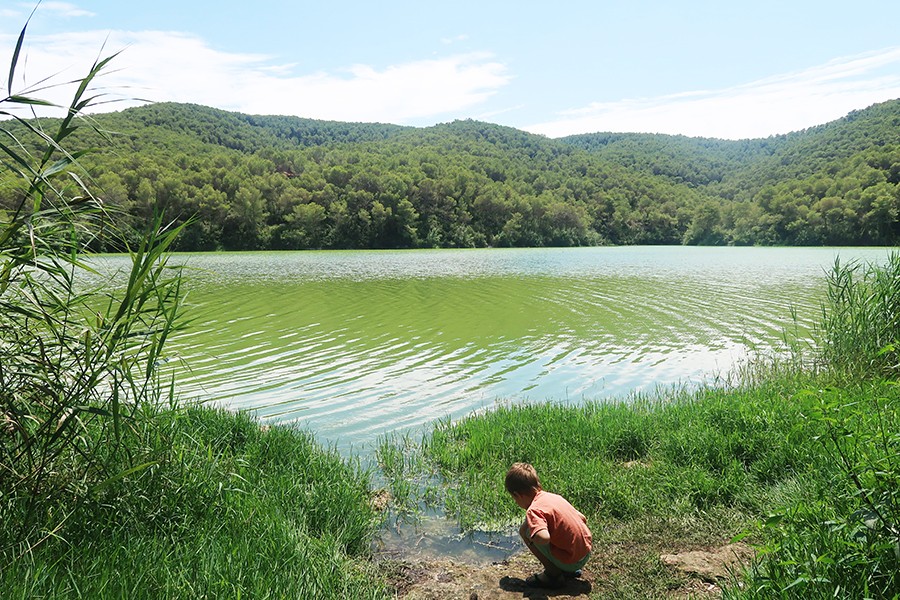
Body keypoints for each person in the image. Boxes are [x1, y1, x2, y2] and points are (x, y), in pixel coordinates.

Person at [505, 462, 592, 589]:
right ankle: (568, 569)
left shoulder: (533, 510)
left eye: (515, 499)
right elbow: (582, 517)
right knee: (538, 529)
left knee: (526, 531)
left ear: (518, 495)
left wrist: (532, 539)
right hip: (585, 553)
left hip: (572, 561)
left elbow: (544, 538)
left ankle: (553, 574)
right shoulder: (553, 497)